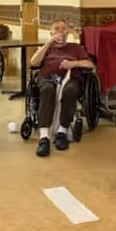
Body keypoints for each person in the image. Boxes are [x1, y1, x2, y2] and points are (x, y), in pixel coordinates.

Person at [27, 20, 94, 157]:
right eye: (56, 29)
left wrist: (73, 63)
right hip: (48, 78)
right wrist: (49, 43)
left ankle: (62, 132)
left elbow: (89, 64)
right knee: (47, 90)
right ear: (51, 32)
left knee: (70, 91)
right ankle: (44, 137)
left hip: (70, 78)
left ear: (67, 33)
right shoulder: (48, 47)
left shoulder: (76, 48)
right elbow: (33, 62)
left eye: (63, 29)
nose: (60, 31)